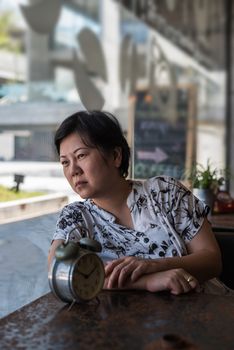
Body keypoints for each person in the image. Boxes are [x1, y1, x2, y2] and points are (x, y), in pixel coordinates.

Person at [48, 110, 224, 295]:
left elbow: (212, 261)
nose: (73, 170)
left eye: (81, 156)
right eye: (65, 162)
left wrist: (154, 266)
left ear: (116, 156)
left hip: (204, 309)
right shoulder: (75, 216)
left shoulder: (165, 192)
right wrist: (147, 281)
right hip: (120, 320)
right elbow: (58, 271)